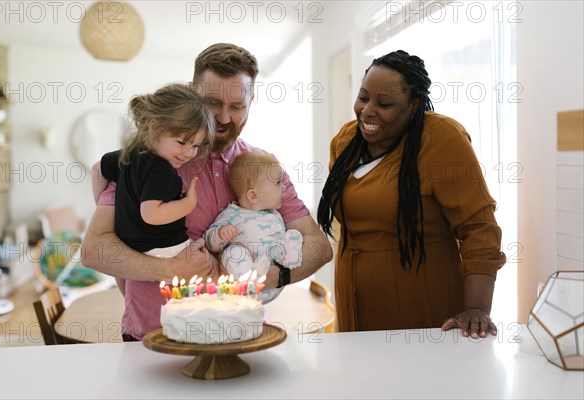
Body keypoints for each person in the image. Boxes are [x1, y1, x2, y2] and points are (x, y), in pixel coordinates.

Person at [81, 43, 333, 341]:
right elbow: (94, 249)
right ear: (193, 93)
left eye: (237, 107)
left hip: (237, 335)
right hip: (153, 337)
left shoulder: (263, 167)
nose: (224, 118)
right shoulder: (147, 160)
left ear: (251, 101)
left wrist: (275, 276)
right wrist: (168, 268)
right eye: (213, 103)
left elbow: (319, 246)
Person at [317, 50, 506, 338]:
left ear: (415, 105)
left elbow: (479, 228)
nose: (367, 111)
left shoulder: (441, 139)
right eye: (364, 97)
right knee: (362, 381)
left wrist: (477, 308)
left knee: (419, 381)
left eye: (385, 103)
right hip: (354, 302)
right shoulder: (345, 142)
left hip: (421, 306)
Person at [91, 83, 214, 296]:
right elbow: (152, 214)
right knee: (211, 269)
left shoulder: (126, 156)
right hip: (165, 248)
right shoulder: (162, 171)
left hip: (130, 246)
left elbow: (96, 170)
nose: (188, 152)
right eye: (182, 142)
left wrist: (110, 207)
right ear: (155, 127)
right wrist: (188, 203)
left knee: (128, 290)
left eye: (195, 146)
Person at [204, 152, 303, 303]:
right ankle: (248, 276)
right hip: (244, 288)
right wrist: (220, 234)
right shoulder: (232, 214)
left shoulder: (274, 214)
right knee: (233, 252)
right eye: (277, 183)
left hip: (271, 281)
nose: (284, 187)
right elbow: (209, 241)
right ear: (253, 196)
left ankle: (290, 258)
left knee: (286, 239)